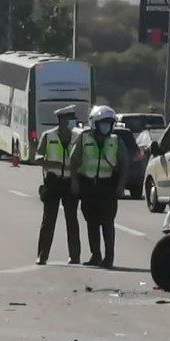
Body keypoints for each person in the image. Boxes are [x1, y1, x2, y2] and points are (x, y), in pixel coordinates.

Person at [70, 105, 130, 268]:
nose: (107, 126)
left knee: (108, 223)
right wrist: (74, 182)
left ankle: (109, 257)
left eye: (110, 123)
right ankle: (96, 255)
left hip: (108, 187)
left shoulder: (116, 141)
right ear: (95, 123)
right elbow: (74, 160)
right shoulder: (84, 138)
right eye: (104, 123)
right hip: (89, 187)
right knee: (91, 222)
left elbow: (124, 164)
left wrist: (120, 186)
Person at [35, 107, 81, 265]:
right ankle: (42, 255)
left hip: (70, 181)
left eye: (71, 119)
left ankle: (75, 256)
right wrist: (51, 162)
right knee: (48, 220)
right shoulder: (48, 136)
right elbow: (38, 157)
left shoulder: (77, 136)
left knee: (72, 220)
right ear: (61, 120)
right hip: (53, 181)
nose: (70, 122)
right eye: (67, 119)